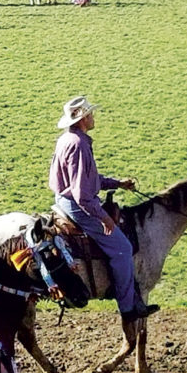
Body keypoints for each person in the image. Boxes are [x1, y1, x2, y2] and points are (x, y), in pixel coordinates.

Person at [49, 96, 159, 322]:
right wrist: (103, 219)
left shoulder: (67, 139)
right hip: (78, 206)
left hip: (63, 200)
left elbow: (85, 180)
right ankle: (128, 307)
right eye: (90, 114)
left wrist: (117, 183)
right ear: (82, 119)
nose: (93, 117)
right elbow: (82, 194)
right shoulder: (79, 145)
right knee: (122, 249)